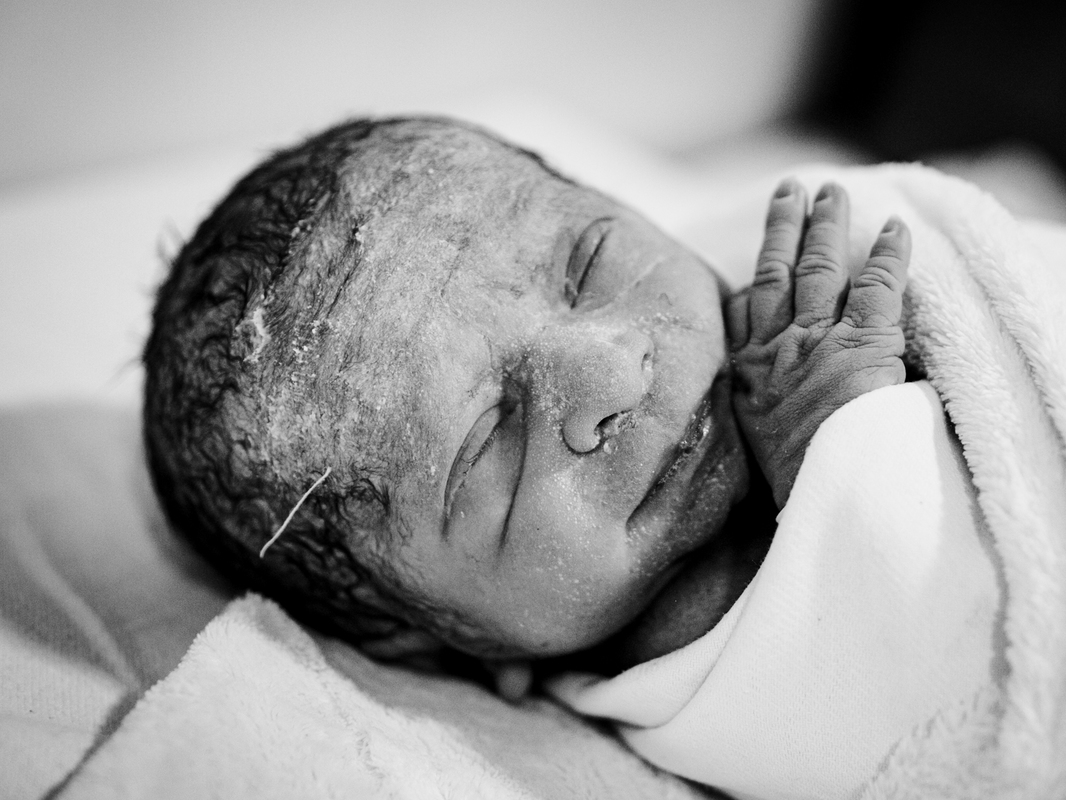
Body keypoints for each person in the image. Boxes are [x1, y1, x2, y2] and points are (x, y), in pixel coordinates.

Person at [141, 115, 913, 677]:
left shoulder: (788, 280)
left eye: (590, 262)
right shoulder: (701, 662)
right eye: (484, 443)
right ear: (451, 643)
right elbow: (918, 680)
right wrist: (843, 452)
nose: (611, 376)